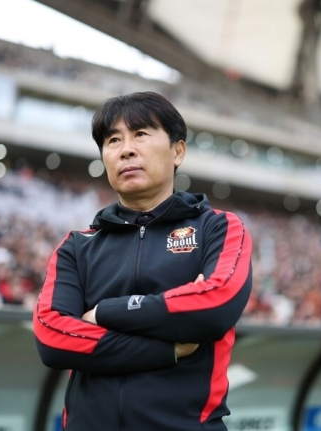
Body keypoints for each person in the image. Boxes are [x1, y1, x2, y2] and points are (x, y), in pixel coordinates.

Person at [33, 91, 253, 431]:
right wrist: (168, 349)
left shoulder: (219, 228)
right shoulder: (77, 245)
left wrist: (103, 313)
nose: (126, 149)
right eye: (113, 140)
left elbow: (214, 306)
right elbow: (51, 337)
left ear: (178, 151)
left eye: (140, 134)